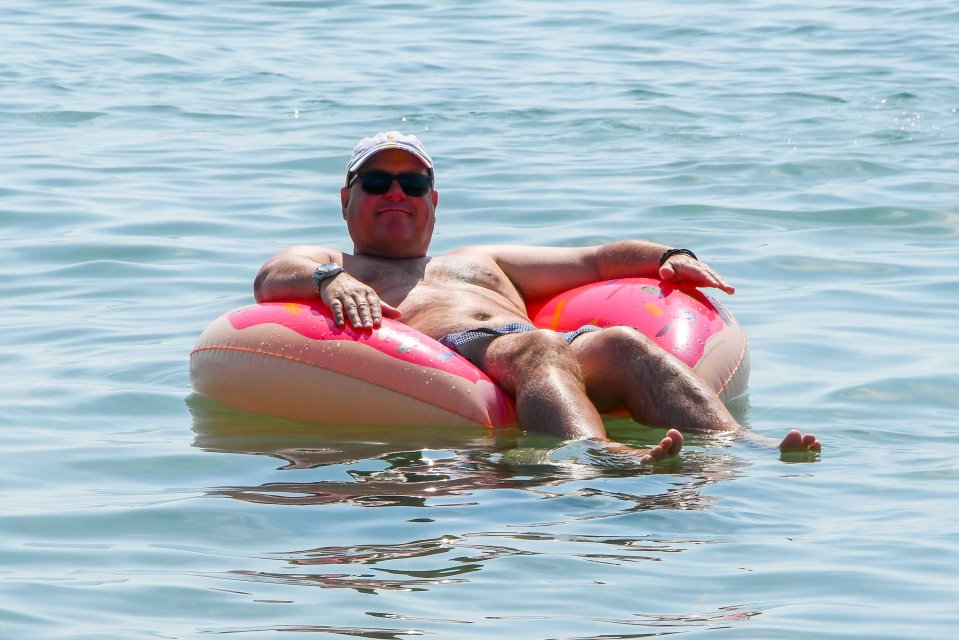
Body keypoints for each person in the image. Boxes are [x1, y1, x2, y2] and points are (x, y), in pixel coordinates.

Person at [254, 131, 821, 462]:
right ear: (346, 200)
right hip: (461, 355)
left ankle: (739, 449)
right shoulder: (338, 263)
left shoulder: (480, 260)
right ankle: (594, 458)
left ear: (434, 200)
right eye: (377, 183)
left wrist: (668, 254)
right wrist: (330, 281)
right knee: (542, 350)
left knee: (621, 341)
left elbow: (594, 260)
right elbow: (274, 274)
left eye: (414, 183)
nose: (397, 192)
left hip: (532, 345)